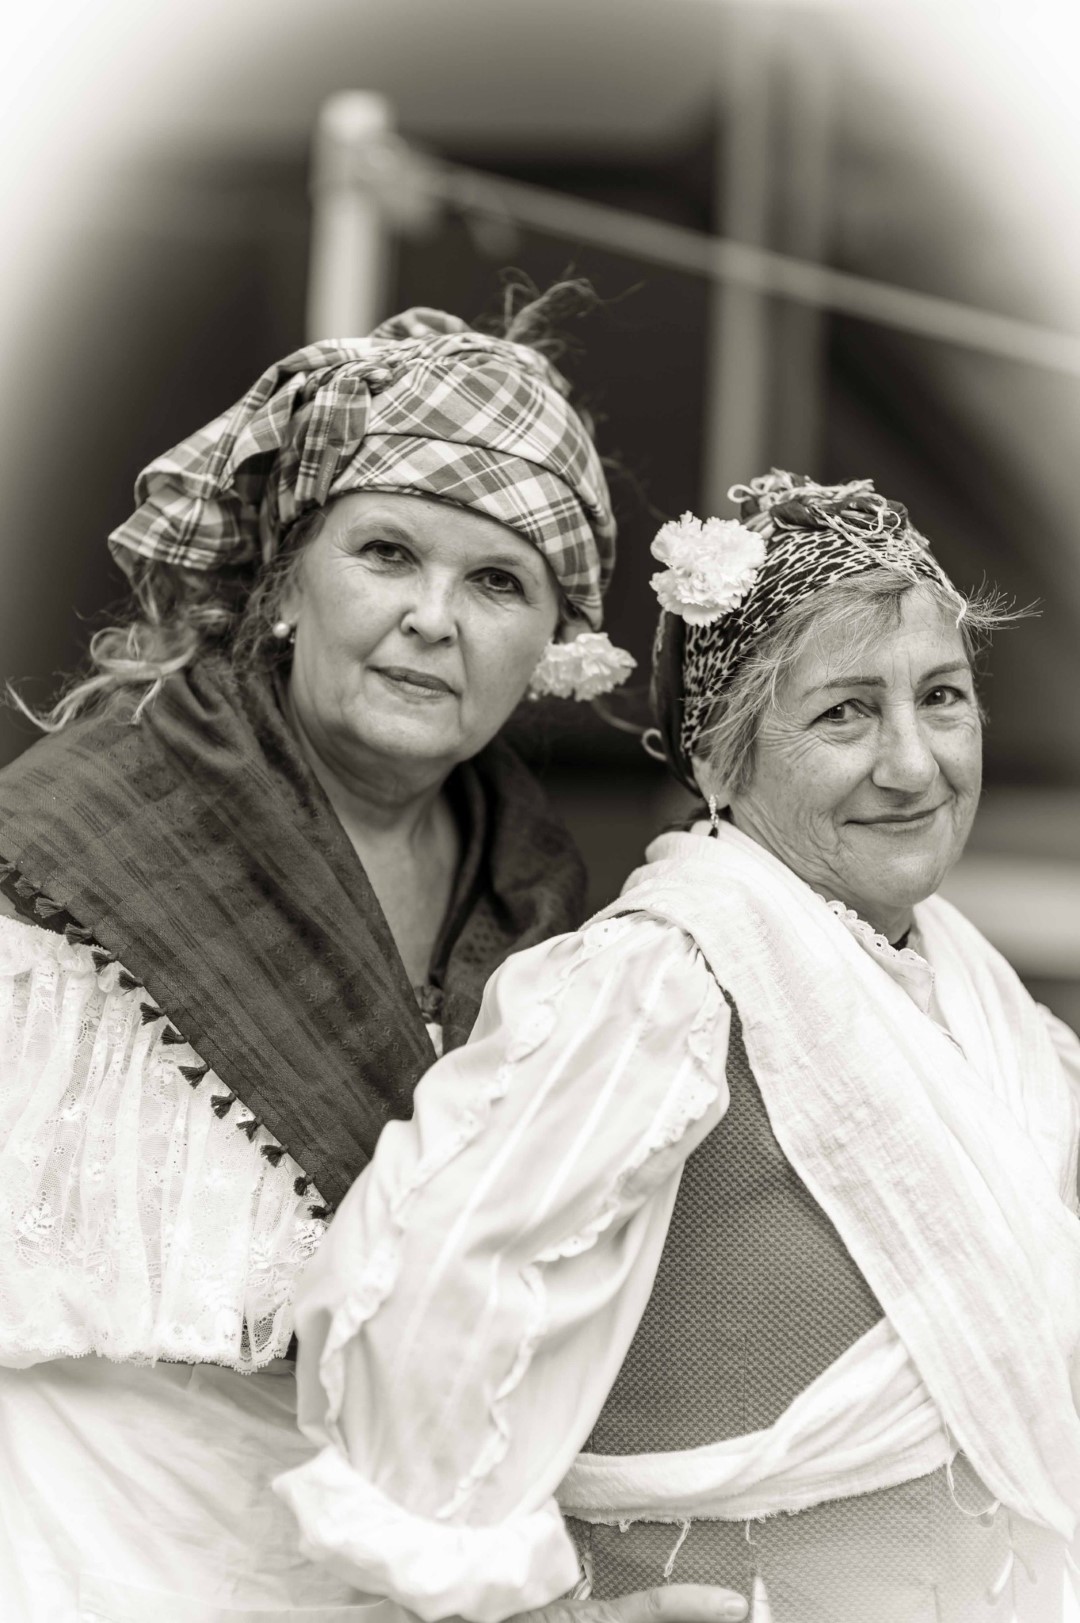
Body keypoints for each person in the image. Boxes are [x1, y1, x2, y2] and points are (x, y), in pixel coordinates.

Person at [276, 470, 1080, 1623]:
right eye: (845, 712)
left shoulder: (983, 1001)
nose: (914, 763)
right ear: (719, 760)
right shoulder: (657, 988)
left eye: (941, 697)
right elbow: (420, 1317)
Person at [0, 291, 675, 1619]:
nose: (434, 617)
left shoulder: (541, 911)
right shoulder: (85, 843)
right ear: (286, 584)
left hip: (387, 1580)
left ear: (553, 646)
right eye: (387, 553)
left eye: (497, 582)